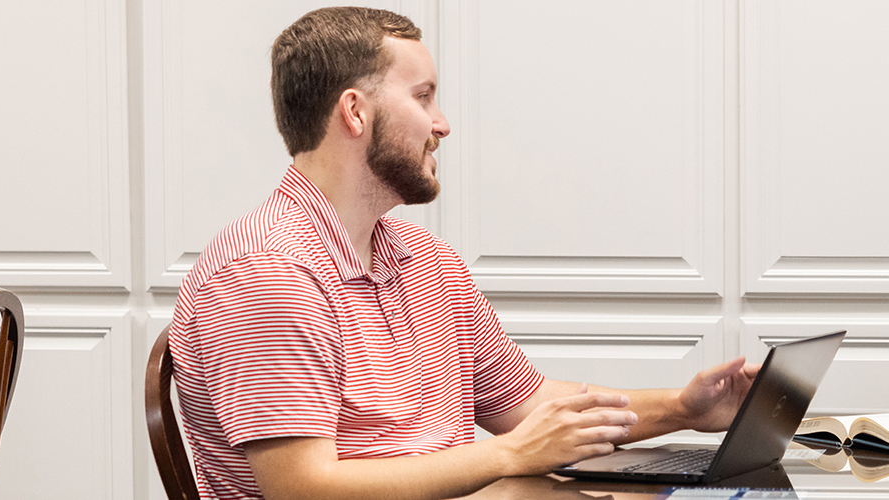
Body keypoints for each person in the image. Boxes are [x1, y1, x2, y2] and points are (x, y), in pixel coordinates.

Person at [168, 7, 760, 500]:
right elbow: (302, 487)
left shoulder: (428, 260)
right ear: (355, 112)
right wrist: (507, 455)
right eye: (424, 97)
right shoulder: (264, 270)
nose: (442, 123)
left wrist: (685, 409)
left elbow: (526, 406)